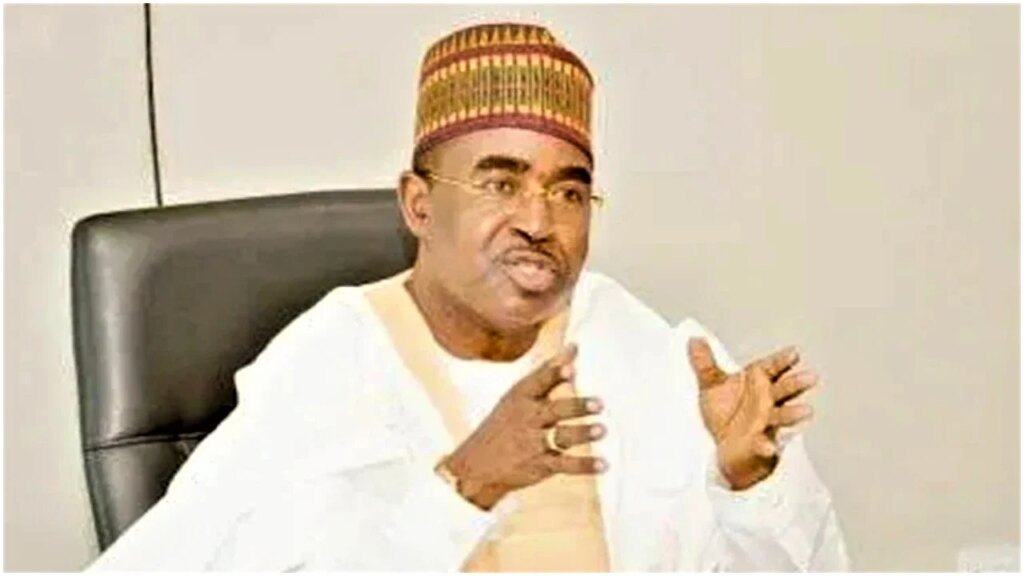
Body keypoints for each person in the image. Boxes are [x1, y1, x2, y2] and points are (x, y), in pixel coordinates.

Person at [89, 22, 849, 571]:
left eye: (570, 192)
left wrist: (748, 484)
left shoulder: (644, 349)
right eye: (500, 184)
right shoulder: (331, 363)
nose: (539, 222)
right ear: (419, 205)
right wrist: (466, 485)